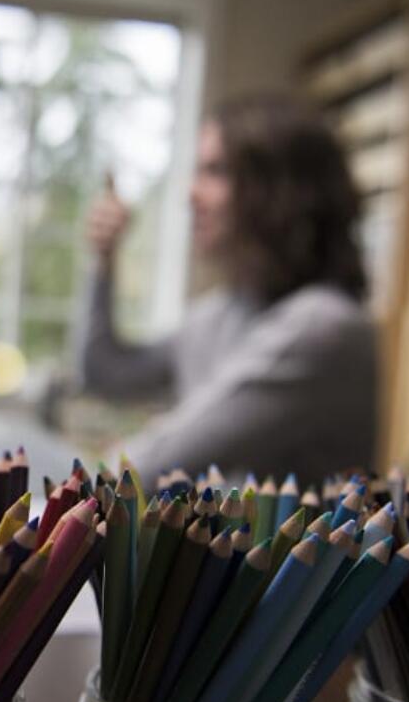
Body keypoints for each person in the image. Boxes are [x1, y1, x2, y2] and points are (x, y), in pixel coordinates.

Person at [79, 92, 376, 486]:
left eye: (216, 171)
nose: (191, 194)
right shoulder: (216, 314)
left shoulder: (324, 326)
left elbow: (159, 459)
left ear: (281, 190)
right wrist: (103, 263)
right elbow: (106, 373)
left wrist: (64, 500)